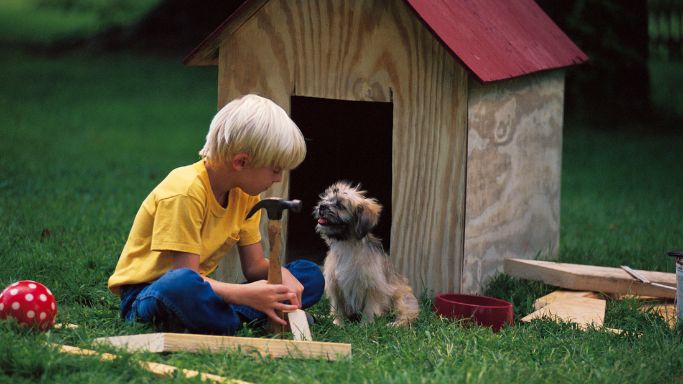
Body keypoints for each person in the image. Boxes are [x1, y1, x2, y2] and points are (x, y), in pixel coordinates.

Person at [107, 94, 324, 335]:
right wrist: (245, 294)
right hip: (151, 293)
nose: (279, 178)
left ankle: (227, 317)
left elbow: (253, 267)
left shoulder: (247, 195)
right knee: (182, 286)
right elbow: (185, 277)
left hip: (202, 291)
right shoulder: (185, 192)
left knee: (309, 275)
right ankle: (242, 318)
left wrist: (282, 274)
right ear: (241, 162)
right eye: (275, 169)